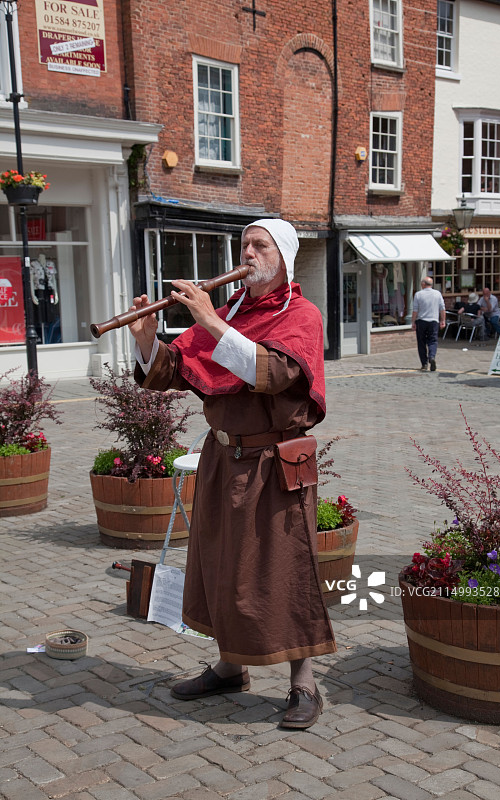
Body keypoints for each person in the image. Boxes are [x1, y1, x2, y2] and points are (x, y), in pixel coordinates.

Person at [129, 218, 336, 730]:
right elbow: (175, 369)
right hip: (223, 458)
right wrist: (146, 340)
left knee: (282, 569)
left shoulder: (301, 315)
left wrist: (209, 319)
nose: (248, 252)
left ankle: (303, 682)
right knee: (221, 564)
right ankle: (229, 667)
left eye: (260, 245)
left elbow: (270, 373)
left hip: (276, 461)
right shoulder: (232, 311)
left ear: (283, 257)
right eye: (245, 244)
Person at [411, 276, 445, 371]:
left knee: (421, 342)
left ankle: (424, 363)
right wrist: (443, 320)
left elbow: (415, 310)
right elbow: (442, 308)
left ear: (423, 284)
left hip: (421, 321)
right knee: (433, 340)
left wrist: (413, 322)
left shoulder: (418, 294)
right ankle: (432, 357)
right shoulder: (437, 294)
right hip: (433, 321)